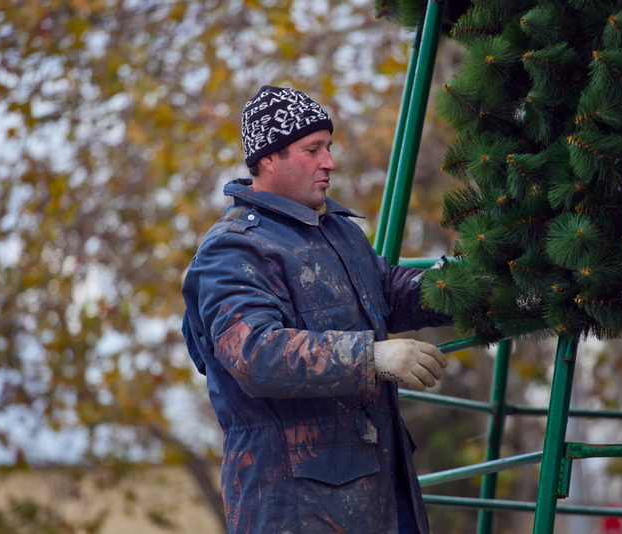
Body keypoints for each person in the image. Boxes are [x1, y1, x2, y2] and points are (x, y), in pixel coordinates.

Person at [181, 85, 451, 534]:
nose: (329, 162)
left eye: (328, 146)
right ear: (269, 158)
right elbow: (258, 355)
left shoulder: (338, 233)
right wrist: (373, 357)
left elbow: (391, 291)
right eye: (313, 149)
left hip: (380, 492)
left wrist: (478, 287)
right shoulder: (232, 250)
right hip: (293, 508)